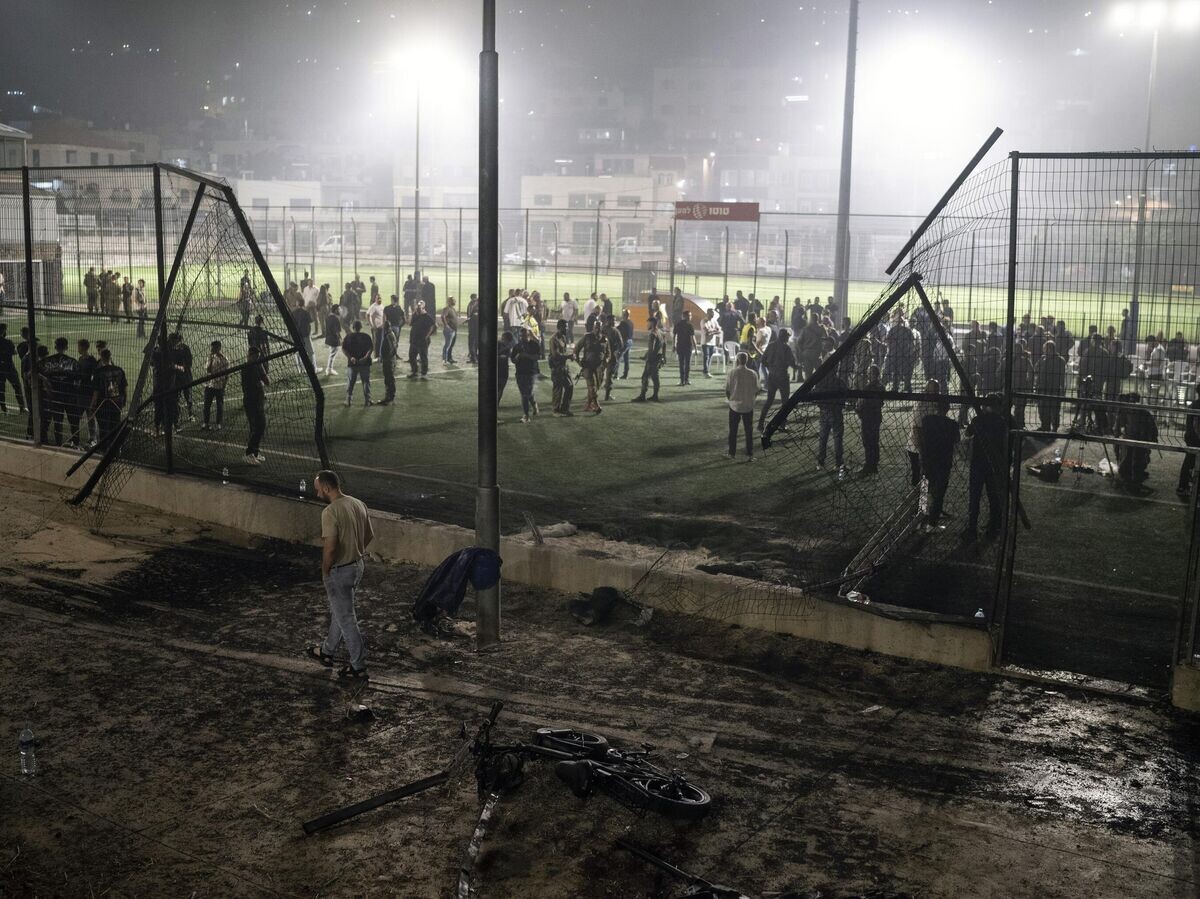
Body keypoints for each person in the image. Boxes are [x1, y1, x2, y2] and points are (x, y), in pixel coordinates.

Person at [306, 469, 373, 680]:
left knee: (345, 617)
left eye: (318, 490)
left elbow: (330, 548)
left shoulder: (330, 512)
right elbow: (369, 535)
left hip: (340, 571)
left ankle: (358, 665)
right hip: (357, 566)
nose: (318, 495)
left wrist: (325, 570)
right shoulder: (357, 503)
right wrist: (355, 550)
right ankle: (327, 651)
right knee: (340, 610)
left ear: (326, 488)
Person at [964, 398, 1007, 541]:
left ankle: (972, 528)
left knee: (974, 497)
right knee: (993, 496)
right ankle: (994, 526)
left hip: (978, 462)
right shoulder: (1001, 422)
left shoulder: (979, 419)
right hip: (993, 464)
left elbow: (967, 433)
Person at [919, 398, 960, 533]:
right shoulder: (952, 424)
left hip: (928, 458)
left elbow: (922, 436)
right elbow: (957, 440)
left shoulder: (927, 420)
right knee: (939, 492)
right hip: (943, 461)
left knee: (925, 489)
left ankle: (921, 518)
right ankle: (932, 522)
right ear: (947, 409)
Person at [43, 337, 80, 447]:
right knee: (73, 421)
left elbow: (39, 374)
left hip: (54, 396)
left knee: (57, 421)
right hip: (69, 396)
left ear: (55, 346)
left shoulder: (47, 361)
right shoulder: (73, 362)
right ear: (66, 347)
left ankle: (59, 443)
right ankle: (75, 442)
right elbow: (78, 380)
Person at [757, 329, 795, 433]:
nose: (788, 338)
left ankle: (760, 424)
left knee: (769, 401)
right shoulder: (786, 348)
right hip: (782, 376)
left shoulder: (771, 345)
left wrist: (771, 368)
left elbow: (763, 360)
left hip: (772, 376)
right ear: (784, 336)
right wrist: (798, 366)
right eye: (787, 336)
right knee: (785, 403)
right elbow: (792, 363)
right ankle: (782, 424)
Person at [726, 352, 759, 461]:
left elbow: (728, 390)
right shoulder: (753, 373)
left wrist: (731, 399)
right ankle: (750, 454)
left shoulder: (732, 372)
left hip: (735, 405)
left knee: (733, 430)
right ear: (747, 360)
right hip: (748, 405)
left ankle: (732, 453)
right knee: (748, 431)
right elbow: (756, 390)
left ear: (737, 360)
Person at [91, 348, 127, 445]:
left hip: (103, 403)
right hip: (116, 402)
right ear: (110, 357)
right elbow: (124, 388)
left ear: (101, 357)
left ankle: (104, 448)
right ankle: (115, 447)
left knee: (103, 427)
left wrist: (93, 404)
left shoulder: (98, 372)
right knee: (115, 425)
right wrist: (123, 401)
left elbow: (96, 391)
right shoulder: (120, 370)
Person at [241, 346, 269, 463]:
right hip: (251, 401)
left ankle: (255, 452)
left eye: (258, 357)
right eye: (254, 357)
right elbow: (266, 381)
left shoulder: (257, 365)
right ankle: (249, 454)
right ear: (249, 355)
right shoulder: (247, 367)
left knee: (261, 426)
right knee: (256, 427)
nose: (256, 358)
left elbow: (267, 382)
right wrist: (261, 369)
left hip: (258, 400)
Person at [574, 320, 609, 413]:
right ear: (593, 327)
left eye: (599, 327)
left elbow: (608, 353)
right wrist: (578, 361)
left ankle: (588, 405)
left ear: (601, 328)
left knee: (597, 386)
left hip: (599, 366)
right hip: (587, 365)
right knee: (591, 385)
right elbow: (576, 349)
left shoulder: (605, 339)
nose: (597, 329)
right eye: (596, 327)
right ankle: (597, 405)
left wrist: (606, 360)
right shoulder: (587, 337)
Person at [856, 364, 884, 476]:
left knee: (868, 442)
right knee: (874, 441)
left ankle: (869, 465)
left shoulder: (869, 387)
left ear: (873, 374)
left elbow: (862, 403)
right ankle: (874, 464)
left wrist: (858, 410)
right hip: (876, 417)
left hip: (868, 417)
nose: (868, 374)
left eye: (869, 373)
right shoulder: (881, 386)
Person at [632, 318, 666, 404]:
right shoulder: (661, 332)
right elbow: (664, 344)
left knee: (645, 377)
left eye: (648, 323)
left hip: (652, 359)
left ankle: (642, 396)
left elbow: (651, 348)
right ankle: (655, 395)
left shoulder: (652, 334)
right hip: (658, 358)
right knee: (655, 377)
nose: (647, 325)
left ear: (652, 323)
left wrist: (648, 358)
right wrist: (663, 356)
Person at [512, 327, 541, 423]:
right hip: (520, 372)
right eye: (521, 336)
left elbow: (537, 357)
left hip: (531, 372)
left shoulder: (534, 345)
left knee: (525, 394)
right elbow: (513, 360)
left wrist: (526, 356)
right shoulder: (517, 346)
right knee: (526, 393)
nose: (522, 338)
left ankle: (526, 415)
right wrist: (517, 358)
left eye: (524, 336)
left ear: (529, 335)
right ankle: (534, 404)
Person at [342, 320, 374, 407]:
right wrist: (365, 357)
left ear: (353, 327)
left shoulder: (348, 337)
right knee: (366, 382)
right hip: (365, 363)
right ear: (361, 327)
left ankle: (348, 401)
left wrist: (350, 357)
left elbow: (344, 349)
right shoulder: (366, 336)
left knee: (351, 382)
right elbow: (371, 348)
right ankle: (367, 401)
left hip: (353, 364)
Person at [1036, 339, 1066, 431]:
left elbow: (1061, 375)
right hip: (1044, 386)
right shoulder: (1044, 358)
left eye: (1045, 348)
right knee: (1043, 408)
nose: (1044, 350)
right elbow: (1037, 368)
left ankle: (1053, 427)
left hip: (1053, 387)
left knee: (1054, 408)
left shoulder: (1059, 360)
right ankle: (1046, 425)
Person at [75, 339, 99, 447]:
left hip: (88, 392)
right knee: (77, 415)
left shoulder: (92, 360)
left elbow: (94, 377)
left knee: (90, 416)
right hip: (80, 392)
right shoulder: (80, 359)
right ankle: (76, 438)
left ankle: (93, 438)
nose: (78, 348)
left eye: (79, 346)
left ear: (83, 347)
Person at [549, 319, 575, 416]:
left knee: (570, 386)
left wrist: (570, 356)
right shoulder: (554, 339)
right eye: (565, 327)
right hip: (556, 367)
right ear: (559, 327)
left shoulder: (563, 337)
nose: (567, 328)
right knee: (558, 389)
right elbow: (555, 355)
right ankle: (556, 410)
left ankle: (564, 408)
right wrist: (568, 357)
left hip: (564, 367)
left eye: (567, 326)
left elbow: (563, 352)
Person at [201, 340, 229, 431]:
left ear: (219, 348)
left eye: (213, 348)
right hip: (209, 385)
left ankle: (218, 424)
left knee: (219, 406)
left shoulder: (224, 360)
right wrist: (211, 359)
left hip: (219, 385)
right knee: (206, 405)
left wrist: (224, 386)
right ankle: (206, 423)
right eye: (211, 348)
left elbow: (226, 375)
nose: (211, 349)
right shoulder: (210, 357)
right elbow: (208, 371)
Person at [1178, 387, 1200, 495]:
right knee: (1190, 461)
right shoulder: (1197, 405)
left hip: (1191, 437)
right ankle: (1184, 486)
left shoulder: (1194, 404)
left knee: (1189, 460)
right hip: (1195, 438)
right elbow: (1196, 426)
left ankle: (1183, 486)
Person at [407, 300, 436, 379]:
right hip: (413, 340)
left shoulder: (427, 317)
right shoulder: (415, 315)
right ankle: (414, 371)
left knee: (423, 357)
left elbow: (433, 326)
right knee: (412, 356)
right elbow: (410, 324)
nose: (418, 309)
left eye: (419, 307)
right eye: (417, 307)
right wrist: (411, 314)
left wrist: (427, 336)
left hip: (422, 341)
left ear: (423, 307)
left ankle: (424, 374)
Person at [0, 323, 23, 415]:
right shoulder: (8, 342)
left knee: (1, 389)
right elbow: (14, 352)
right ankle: (22, 407)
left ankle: (4, 409)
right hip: (9, 368)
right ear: (3, 331)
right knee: (17, 386)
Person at [174, 329, 196, 422]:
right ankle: (182, 416)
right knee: (180, 398)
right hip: (179, 378)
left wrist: (179, 367)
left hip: (183, 377)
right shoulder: (173, 349)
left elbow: (189, 363)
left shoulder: (184, 348)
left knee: (186, 397)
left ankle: (189, 414)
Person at [601, 315, 623, 401]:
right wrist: (616, 351)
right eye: (613, 320)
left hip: (601, 355)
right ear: (608, 320)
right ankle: (607, 395)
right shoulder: (615, 331)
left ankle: (593, 394)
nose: (614, 322)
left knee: (599, 375)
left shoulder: (601, 329)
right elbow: (621, 344)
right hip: (611, 356)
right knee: (609, 375)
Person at [378, 320, 398, 405]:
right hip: (391, 360)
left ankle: (389, 398)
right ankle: (390, 397)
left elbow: (392, 349)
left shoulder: (388, 336)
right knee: (390, 379)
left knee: (388, 379)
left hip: (389, 361)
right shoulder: (391, 334)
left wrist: (386, 359)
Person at [674, 309, 696, 386]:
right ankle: (685, 379)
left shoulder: (678, 324)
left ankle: (683, 380)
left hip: (682, 346)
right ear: (685, 316)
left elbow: (675, 335)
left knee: (682, 363)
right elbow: (692, 338)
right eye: (689, 315)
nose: (690, 317)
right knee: (686, 363)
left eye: (690, 315)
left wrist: (674, 345)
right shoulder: (689, 325)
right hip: (686, 346)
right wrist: (695, 348)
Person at [323, 304, 343, 376]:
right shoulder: (335, 319)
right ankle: (329, 369)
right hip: (334, 339)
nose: (340, 310)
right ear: (335, 310)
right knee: (332, 355)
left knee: (332, 354)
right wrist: (340, 339)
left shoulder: (328, 317)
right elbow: (337, 331)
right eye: (339, 309)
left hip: (328, 338)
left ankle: (329, 369)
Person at [701, 308, 722, 378]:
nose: (712, 315)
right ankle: (705, 371)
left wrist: (712, 331)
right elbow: (707, 332)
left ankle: (706, 370)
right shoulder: (704, 321)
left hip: (712, 343)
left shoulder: (714, 321)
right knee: (706, 357)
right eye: (711, 313)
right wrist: (714, 331)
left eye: (713, 313)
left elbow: (719, 330)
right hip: (705, 342)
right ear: (707, 313)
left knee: (709, 357)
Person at [366, 294, 386, 361]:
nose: (379, 300)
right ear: (375, 299)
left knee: (380, 341)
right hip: (376, 328)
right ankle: (376, 356)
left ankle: (379, 355)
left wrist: (383, 323)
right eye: (378, 298)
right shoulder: (373, 307)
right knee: (376, 341)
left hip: (381, 327)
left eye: (380, 298)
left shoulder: (382, 306)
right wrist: (372, 325)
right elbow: (369, 316)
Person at [497, 331, 514, 405]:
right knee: (499, 387)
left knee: (500, 388)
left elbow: (510, 356)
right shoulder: (502, 345)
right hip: (501, 369)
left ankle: (497, 402)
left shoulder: (506, 347)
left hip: (503, 369)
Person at [441, 297, 459, 365]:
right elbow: (443, 316)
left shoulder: (453, 309)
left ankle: (449, 358)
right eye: (453, 301)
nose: (454, 302)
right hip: (449, 330)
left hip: (454, 330)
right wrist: (446, 325)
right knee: (447, 345)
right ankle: (445, 360)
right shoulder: (447, 309)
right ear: (449, 301)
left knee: (451, 345)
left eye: (454, 300)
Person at [617, 309, 635, 380]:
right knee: (626, 359)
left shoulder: (623, 322)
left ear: (624, 315)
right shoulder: (631, 322)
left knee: (618, 357)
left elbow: (618, 330)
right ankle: (625, 374)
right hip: (630, 341)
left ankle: (615, 374)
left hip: (625, 341)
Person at [465, 294, 480, 364]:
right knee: (473, 342)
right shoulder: (471, 305)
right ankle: (473, 357)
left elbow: (470, 315)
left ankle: (474, 357)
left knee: (473, 342)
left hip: (474, 327)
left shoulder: (472, 305)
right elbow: (469, 315)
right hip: (472, 327)